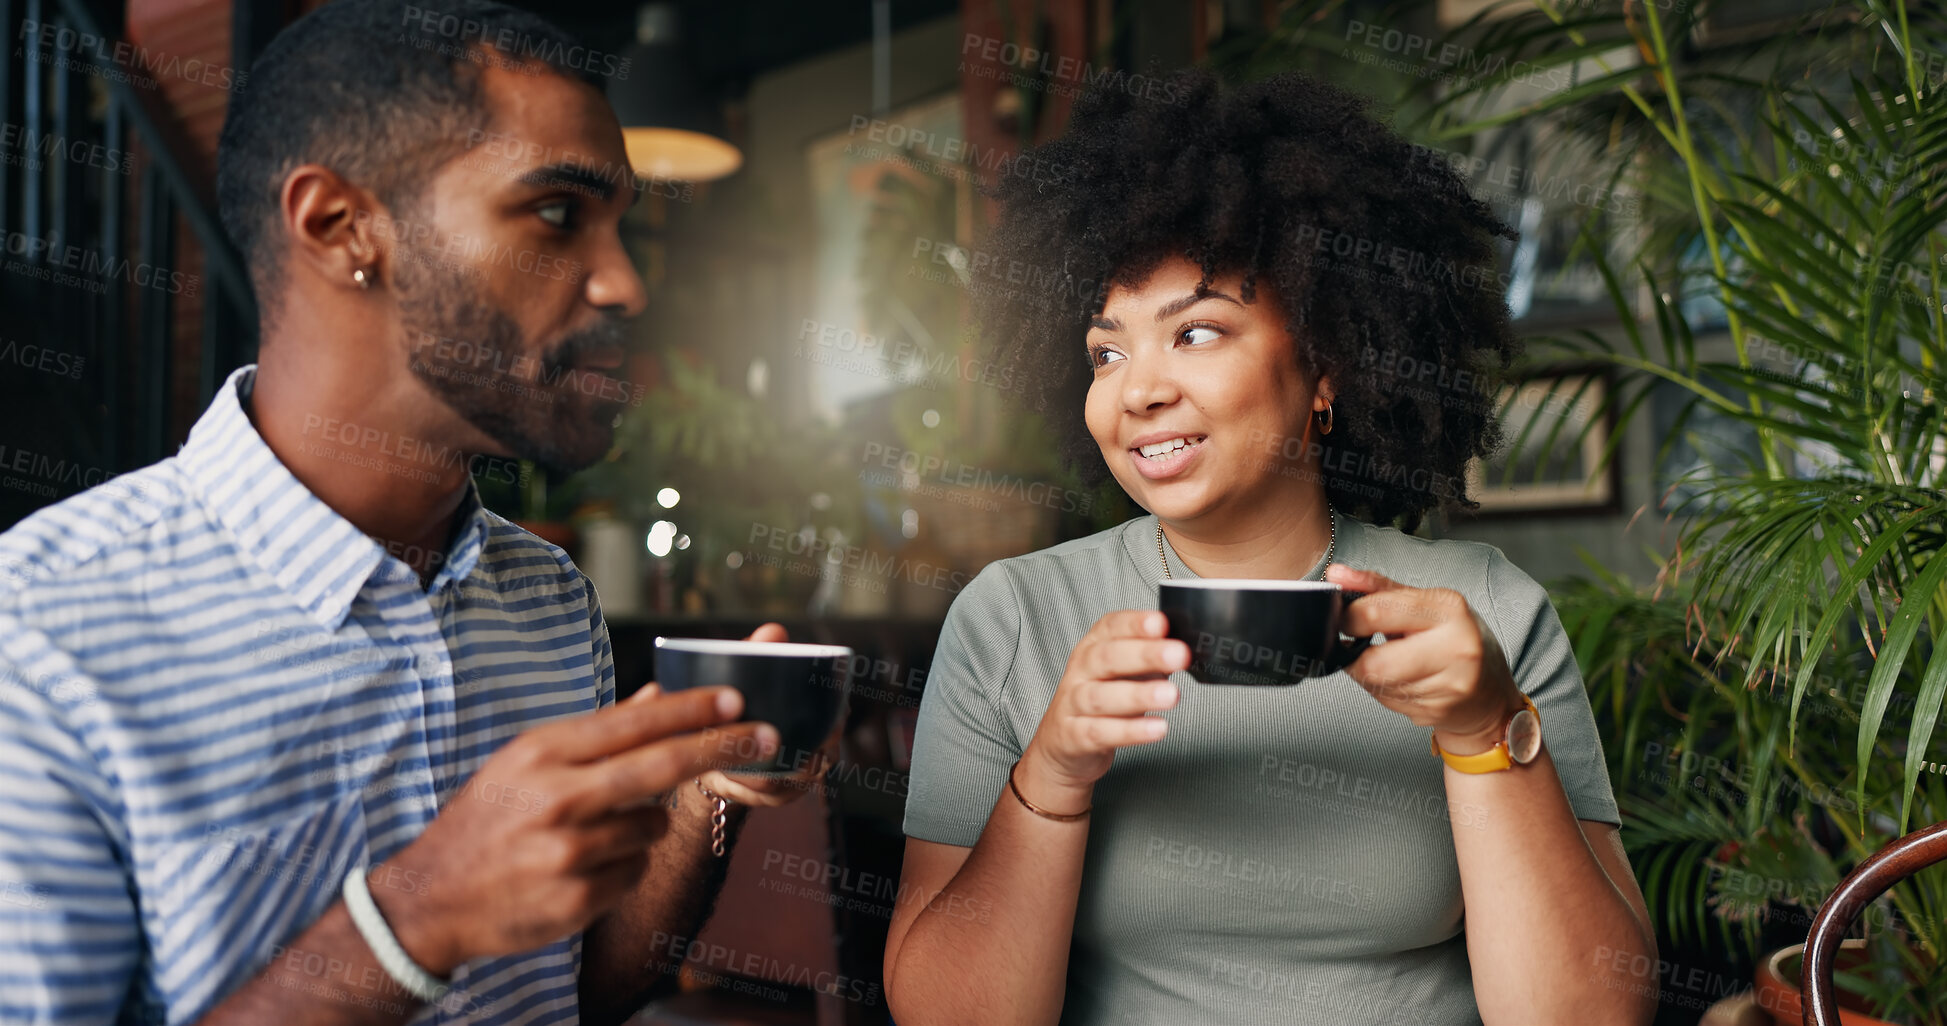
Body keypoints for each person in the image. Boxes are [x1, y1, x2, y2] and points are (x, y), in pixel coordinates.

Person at [0, 2, 824, 1024]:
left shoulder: (551, 602)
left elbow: (575, 994)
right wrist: (417, 917)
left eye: (623, 227)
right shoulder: (38, 635)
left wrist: (707, 796)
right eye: (558, 215)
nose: (626, 284)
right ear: (341, 228)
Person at [883, 69, 1658, 1025]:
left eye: (1196, 332)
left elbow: (1587, 1016)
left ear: (1327, 364)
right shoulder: (1013, 618)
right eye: (1105, 351)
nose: (1137, 392)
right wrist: (1050, 775)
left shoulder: (1482, 613)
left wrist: (1483, 730)